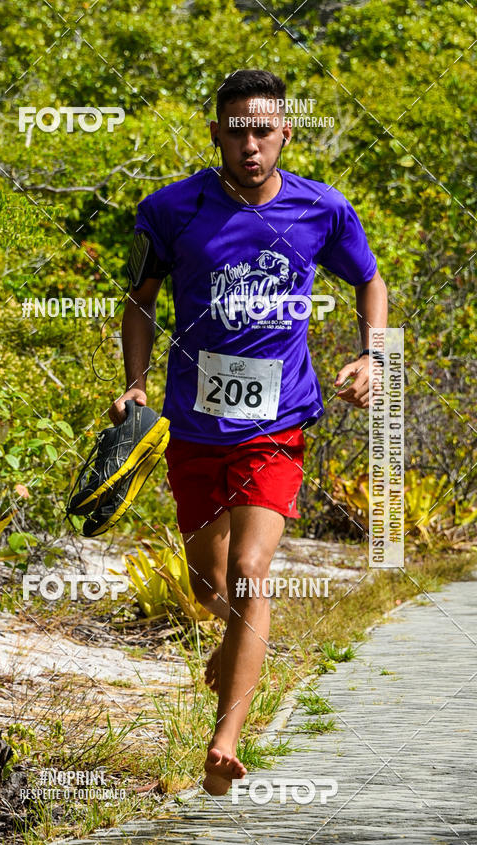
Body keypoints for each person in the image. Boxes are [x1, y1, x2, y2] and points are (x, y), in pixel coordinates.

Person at [109, 69, 388, 795]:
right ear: (216, 135)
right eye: (237, 130)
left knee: (250, 575)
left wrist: (371, 354)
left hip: (278, 423)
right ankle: (235, 636)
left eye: (263, 130)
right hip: (195, 429)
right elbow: (138, 302)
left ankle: (227, 738)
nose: (251, 144)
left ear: (286, 133)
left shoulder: (320, 209)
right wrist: (135, 383)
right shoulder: (171, 210)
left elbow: (370, 280)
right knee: (210, 584)